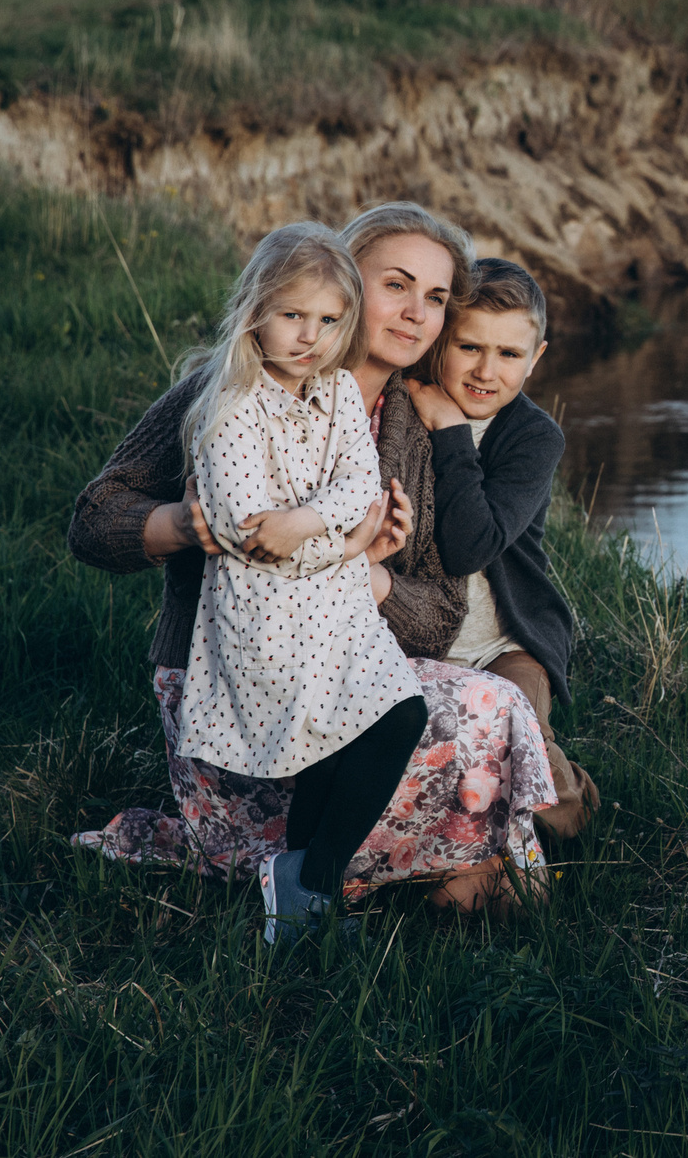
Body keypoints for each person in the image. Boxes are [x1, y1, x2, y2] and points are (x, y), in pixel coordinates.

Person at [69, 203, 562, 911]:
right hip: (229, 676)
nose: (415, 312)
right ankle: (363, 867)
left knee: (491, 707)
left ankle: (345, 874)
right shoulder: (234, 384)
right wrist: (182, 524)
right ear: (345, 279)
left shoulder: (413, 425)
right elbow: (92, 521)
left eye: (435, 297)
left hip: (340, 670)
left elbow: (439, 617)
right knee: (439, 756)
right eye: (396, 285)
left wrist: (374, 577)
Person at [170, 223, 425, 942]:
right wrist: (347, 544)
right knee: (329, 740)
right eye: (293, 315)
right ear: (256, 310)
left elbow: (361, 483)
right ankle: (308, 901)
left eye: (330, 319)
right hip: (266, 618)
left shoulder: (338, 389)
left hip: (340, 610)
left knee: (397, 715)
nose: (310, 336)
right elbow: (249, 537)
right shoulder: (230, 406)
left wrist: (310, 523)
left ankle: (304, 885)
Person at [402, 261, 595, 842]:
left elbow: (470, 546)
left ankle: (575, 807)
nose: (487, 371)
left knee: (518, 741)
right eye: (470, 347)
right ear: (441, 339)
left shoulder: (534, 437)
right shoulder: (405, 408)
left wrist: (451, 432)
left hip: (506, 641)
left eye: (509, 354)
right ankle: (464, 846)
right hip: (418, 637)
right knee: (448, 761)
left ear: (536, 358)